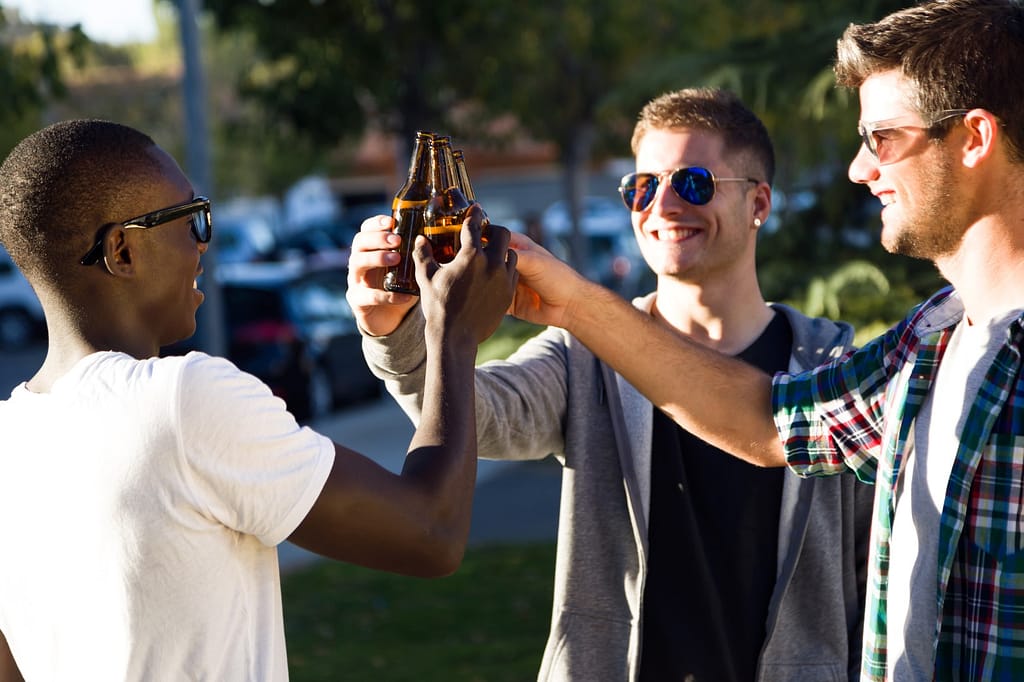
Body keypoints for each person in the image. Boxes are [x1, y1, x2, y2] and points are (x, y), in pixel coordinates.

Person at [500, 0, 1024, 679]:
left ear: (975, 137)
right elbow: (767, 422)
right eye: (643, 187)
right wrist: (570, 303)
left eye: (882, 139)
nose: (859, 171)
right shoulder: (928, 347)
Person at [346, 88, 872, 681]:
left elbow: (872, 574)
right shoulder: (585, 353)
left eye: (693, 182)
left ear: (760, 202)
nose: (663, 206)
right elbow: (479, 415)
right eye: (642, 187)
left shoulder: (831, 375)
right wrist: (395, 332)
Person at [0, 119, 517, 681]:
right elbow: (430, 535)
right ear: (121, 250)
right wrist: (453, 332)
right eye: (190, 218)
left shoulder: (10, 439)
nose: (203, 241)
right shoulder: (181, 401)